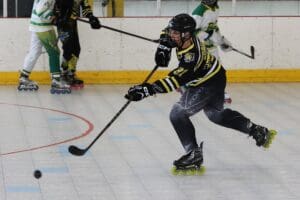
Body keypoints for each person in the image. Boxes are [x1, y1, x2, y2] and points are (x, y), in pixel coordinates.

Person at [125, 14, 276, 174]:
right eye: (172, 32)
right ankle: (255, 130)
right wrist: (164, 43)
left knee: (177, 114)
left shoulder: (192, 57)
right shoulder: (186, 36)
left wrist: (147, 90)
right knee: (215, 115)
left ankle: (193, 153)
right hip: (216, 75)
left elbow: (174, 81)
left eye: (175, 33)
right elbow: (168, 31)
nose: (172, 35)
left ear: (186, 35)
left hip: (207, 83)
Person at [18, 0, 71, 94]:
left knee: (34, 52)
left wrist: (57, 15)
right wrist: (55, 19)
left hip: (35, 25)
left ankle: (23, 77)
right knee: (54, 52)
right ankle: (56, 81)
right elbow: (40, 11)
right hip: (43, 27)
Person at [191, 0, 232, 104]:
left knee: (218, 69)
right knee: (203, 69)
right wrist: (207, 36)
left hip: (211, 46)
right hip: (200, 46)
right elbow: (191, 31)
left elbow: (213, 27)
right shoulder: (199, 12)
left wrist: (221, 41)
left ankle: (218, 92)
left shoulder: (216, 8)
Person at [56, 0, 101, 89]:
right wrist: (59, 17)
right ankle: (63, 73)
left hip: (72, 23)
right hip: (62, 24)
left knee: (76, 49)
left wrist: (91, 17)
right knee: (68, 48)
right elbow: (55, 5)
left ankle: (71, 73)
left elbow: (85, 6)